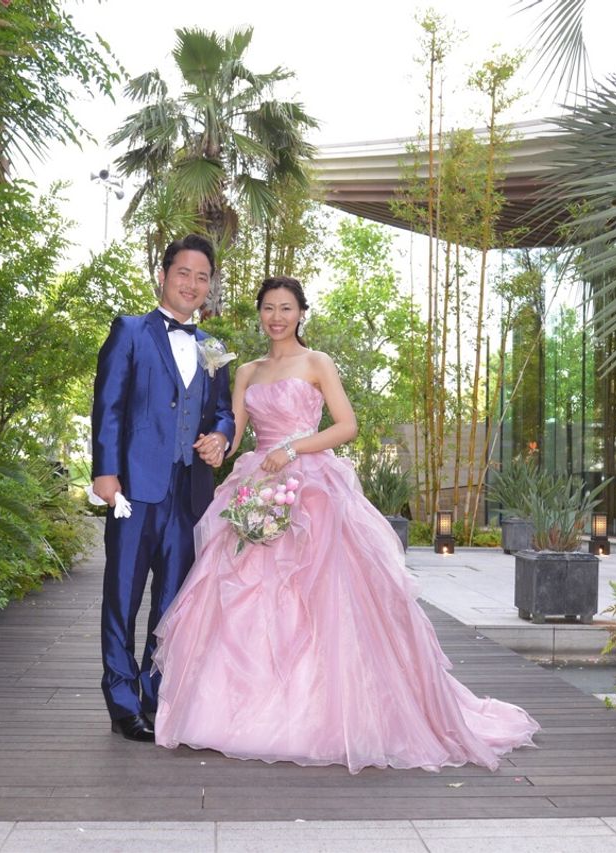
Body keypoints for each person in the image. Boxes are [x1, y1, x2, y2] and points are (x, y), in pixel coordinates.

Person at [151, 276, 539, 772]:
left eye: (286, 308)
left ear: (300, 313)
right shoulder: (245, 371)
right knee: (240, 589)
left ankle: (321, 714)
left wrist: (292, 449)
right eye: (268, 308)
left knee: (323, 594)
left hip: (312, 484)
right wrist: (214, 445)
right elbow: (237, 433)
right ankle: (229, 712)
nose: (276, 317)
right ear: (259, 313)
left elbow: (346, 425)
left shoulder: (318, 363)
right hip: (258, 481)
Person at [91, 234, 235, 743]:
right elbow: (108, 406)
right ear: (163, 275)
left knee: (173, 604)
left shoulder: (213, 347)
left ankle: (157, 697)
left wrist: (222, 436)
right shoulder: (130, 331)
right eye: (183, 273)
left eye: (202, 277)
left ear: (210, 286)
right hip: (134, 489)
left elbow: (223, 411)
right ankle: (122, 701)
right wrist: (105, 472)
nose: (192, 284)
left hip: (190, 493)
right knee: (122, 597)